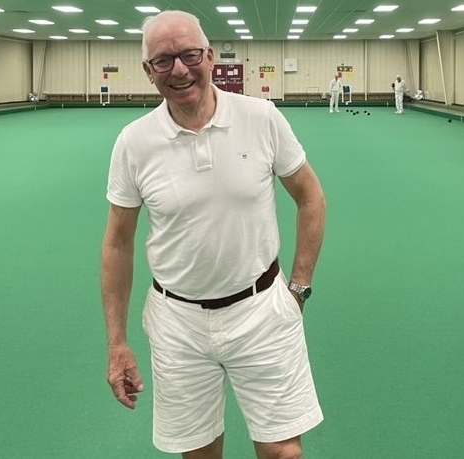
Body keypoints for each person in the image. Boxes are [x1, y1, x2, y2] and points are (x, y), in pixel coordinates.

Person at [100, 9, 326, 459]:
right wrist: (117, 343)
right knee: (199, 453)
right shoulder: (134, 141)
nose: (179, 70)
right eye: (163, 60)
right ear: (148, 71)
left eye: (190, 55)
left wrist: (298, 288)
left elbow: (311, 198)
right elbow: (117, 243)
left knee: (283, 452)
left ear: (209, 57)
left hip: (262, 310)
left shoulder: (261, 117)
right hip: (177, 321)